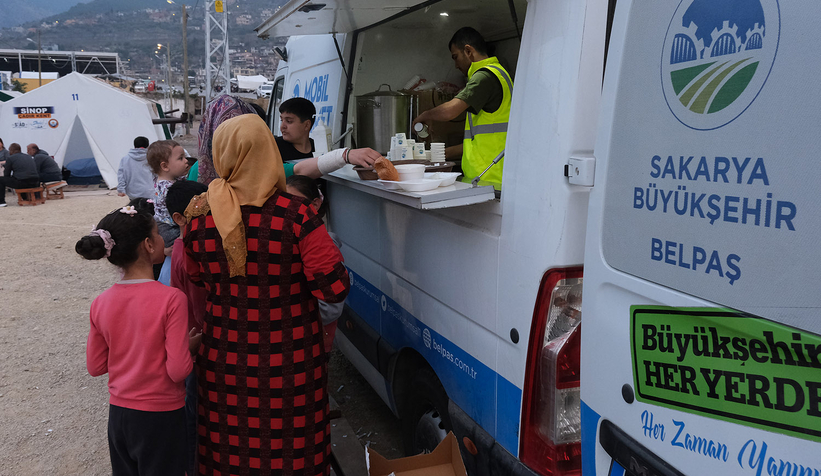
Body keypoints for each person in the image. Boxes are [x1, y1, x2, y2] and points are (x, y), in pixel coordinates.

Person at [183, 114, 350, 475]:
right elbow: (334, 287)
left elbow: (197, 277)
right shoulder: (297, 216)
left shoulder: (197, 216)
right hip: (290, 363)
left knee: (229, 451)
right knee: (293, 452)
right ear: (268, 154)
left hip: (223, 360)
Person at [75, 203, 197, 475]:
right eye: (157, 234)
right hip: (161, 414)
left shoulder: (101, 302)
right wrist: (188, 349)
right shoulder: (171, 299)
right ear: (148, 245)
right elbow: (178, 370)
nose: (161, 239)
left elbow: (96, 366)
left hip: (119, 415)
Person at [197, 95, 381, 185]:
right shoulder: (268, 154)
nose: (282, 127)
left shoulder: (255, 161)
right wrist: (344, 155)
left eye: (289, 121)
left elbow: (297, 169)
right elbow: (297, 170)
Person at [413, 27, 513, 185]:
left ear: (468, 51)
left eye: (456, 57)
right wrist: (439, 154)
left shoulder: (484, 76)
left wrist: (426, 115)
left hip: (490, 179)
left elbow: (450, 111)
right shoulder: (499, 73)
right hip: (490, 178)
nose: (456, 65)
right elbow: (477, 142)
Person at [166, 179, 209, 476]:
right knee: (197, 416)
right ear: (179, 218)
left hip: (193, 341)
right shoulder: (191, 250)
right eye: (200, 211)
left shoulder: (183, 247)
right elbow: (199, 306)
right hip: (200, 343)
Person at [286, 174, 344, 354]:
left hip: (311, 341)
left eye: (295, 204)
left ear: (316, 204)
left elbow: (331, 307)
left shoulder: (326, 249)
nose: (286, 210)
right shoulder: (288, 240)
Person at [146, 139, 189, 248]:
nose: (186, 161)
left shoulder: (162, 180)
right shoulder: (169, 188)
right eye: (181, 158)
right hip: (170, 228)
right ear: (165, 166)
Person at [0, 143, 40, 207]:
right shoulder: (29, 156)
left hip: (22, 183)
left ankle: (1, 202)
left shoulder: (10, 158)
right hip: (35, 182)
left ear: (11, 150)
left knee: (1, 180)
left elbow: (6, 174)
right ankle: (28, 197)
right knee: (20, 177)